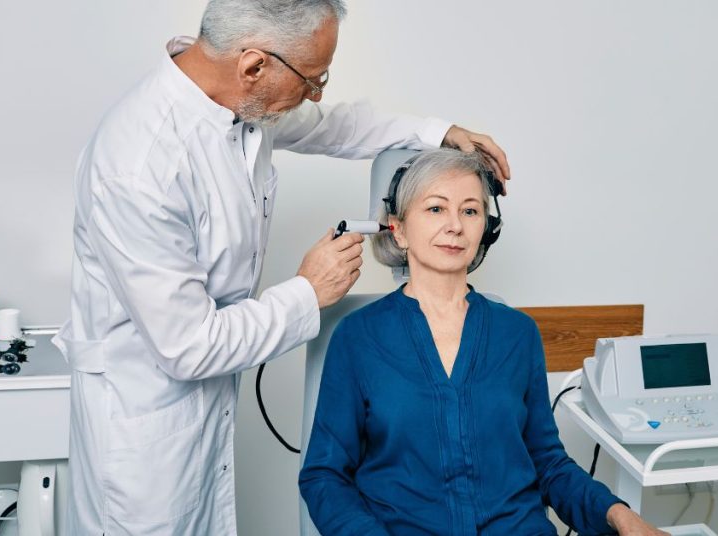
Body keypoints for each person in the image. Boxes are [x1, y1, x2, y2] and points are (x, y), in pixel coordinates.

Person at [54, 1, 511, 533]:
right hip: (143, 429)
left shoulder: (237, 103)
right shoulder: (137, 167)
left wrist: (438, 130)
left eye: (469, 211)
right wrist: (308, 291)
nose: (315, 95)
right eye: (313, 80)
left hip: (202, 411)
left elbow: (335, 127)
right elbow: (188, 345)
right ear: (254, 66)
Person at [299, 149, 666, 535]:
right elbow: (324, 477)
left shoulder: (518, 333)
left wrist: (619, 515)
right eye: (436, 208)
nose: (455, 226)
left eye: (470, 211)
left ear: (485, 229)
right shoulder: (358, 337)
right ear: (399, 229)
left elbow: (548, 463)